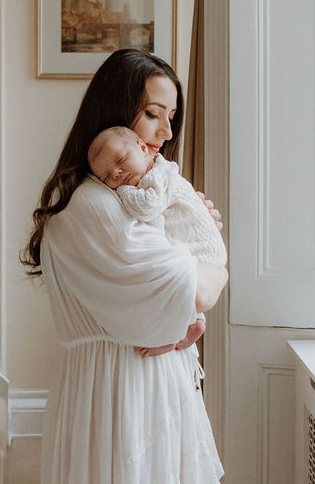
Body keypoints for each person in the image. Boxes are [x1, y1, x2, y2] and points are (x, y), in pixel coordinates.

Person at [22, 49, 232, 484]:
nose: (163, 132)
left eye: (171, 116)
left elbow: (184, 289)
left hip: (143, 376)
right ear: (115, 110)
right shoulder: (93, 207)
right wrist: (212, 268)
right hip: (120, 385)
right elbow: (199, 290)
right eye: (151, 113)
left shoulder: (132, 196)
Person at [87, 125, 227, 361]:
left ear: (142, 147)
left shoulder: (159, 175)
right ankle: (195, 322)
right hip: (201, 255)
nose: (118, 174)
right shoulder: (152, 174)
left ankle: (169, 337)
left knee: (171, 286)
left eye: (121, 160)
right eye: (108, 177)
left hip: (203, 254)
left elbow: (147, 207)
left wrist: (121, 192)